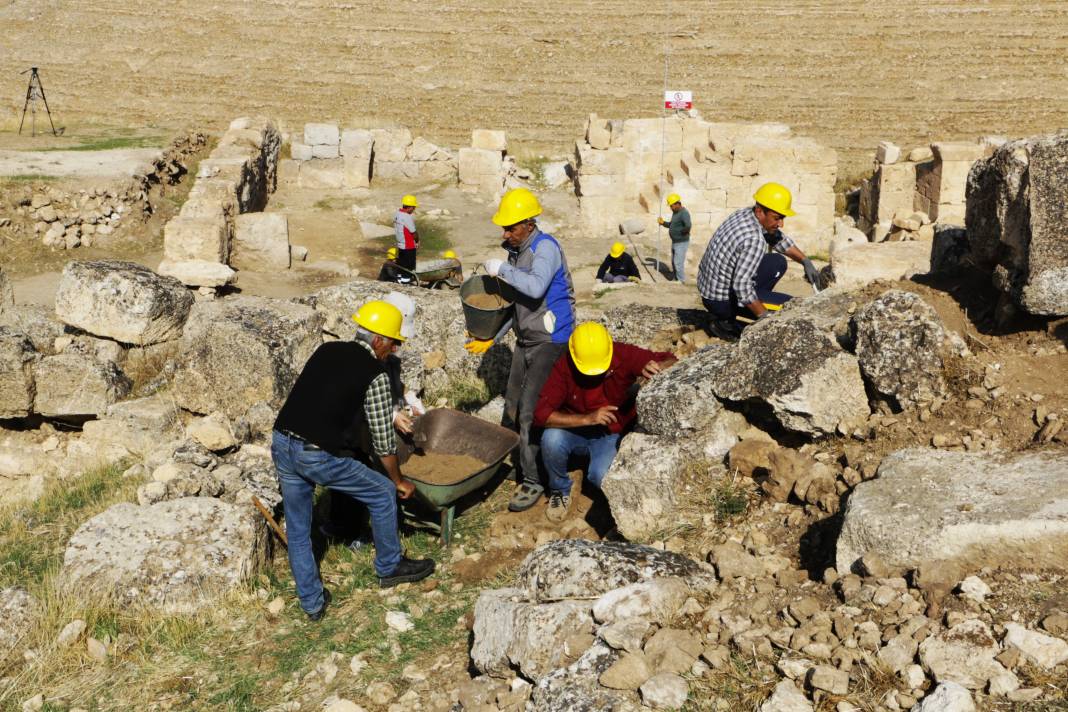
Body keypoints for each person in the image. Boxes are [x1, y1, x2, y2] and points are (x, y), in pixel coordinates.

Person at [272, 300, 435, 621]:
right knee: (381, 492)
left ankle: (312, 603)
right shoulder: (374, 373)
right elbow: (383, 441)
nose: (397, 348)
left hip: (281, 440)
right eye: (394, 341)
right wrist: (398, 480)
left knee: (300, 529)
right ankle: (389, 566)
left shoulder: (326, 350)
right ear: (377, 340)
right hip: (315, 453)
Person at [464, 188, 576, 513]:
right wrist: (493, 337)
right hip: (526, 338)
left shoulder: (545, 249)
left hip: (551, 340)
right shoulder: (515, 251)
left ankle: (536, 480)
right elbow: (515, 305)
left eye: (510, 227)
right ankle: (528, 460)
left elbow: (536, 287)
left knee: (530, 411)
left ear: (528, 223)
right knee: (513, 406)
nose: (505, 233)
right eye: (504, 227)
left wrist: (502, 270)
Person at [533, 322, 676, 521]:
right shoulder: (564, 366)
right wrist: (588, 418)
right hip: (576, 430)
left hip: (610, 433)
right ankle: (560, 489)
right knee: (551, 439)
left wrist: (658, 367)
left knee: (600, 476)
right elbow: (541, 415)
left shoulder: (622, 354)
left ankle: (615, 510)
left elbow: (671, 359)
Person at [318, 292, 425, 551]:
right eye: (395, 341)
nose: (397, 347)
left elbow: (393, 386)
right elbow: (359, 392)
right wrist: (391, 414)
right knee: (358, 472)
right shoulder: (361, 356)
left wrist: (407, 401)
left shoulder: (388, 357)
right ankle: (349, 530)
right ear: (381, 336)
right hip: (352, 430)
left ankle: (363, 521)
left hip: (365, 427)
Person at [696, 182, 821, 341]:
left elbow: (777, 238)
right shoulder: (754, 240)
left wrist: (805, 261)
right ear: (761, 212)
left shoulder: (745, 213)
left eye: (782, 218)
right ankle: (726, 322)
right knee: (789, 307)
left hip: (710, 289)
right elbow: (741, 285)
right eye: (777, 218)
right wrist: (764, 317)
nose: (781, 223)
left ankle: (748, 304)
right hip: (721, 302)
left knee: (777, 262)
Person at [657, 193, 691, 283]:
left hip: (681, 242)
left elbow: (688, 226)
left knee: (678, 262)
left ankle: (681, 280)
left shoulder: (684, 213)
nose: (670, 208)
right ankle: (676, 278)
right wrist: (663, 222)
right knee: (673, 261)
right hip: (675, 242)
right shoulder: (675, 213)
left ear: (677, 204)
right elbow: (671, 225)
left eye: (671, 206)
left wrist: (681, 233)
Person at [393, 194, 419, 273]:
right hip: (409, 246)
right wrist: (417, 241)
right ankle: (407, 282)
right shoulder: (407, 217)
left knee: (402, 264)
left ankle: (400, 280)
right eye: (413, 207)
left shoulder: (397, 214)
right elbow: (414, 232)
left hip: (401, 244)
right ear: (410, 207)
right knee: (409, 266)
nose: (414, 209)